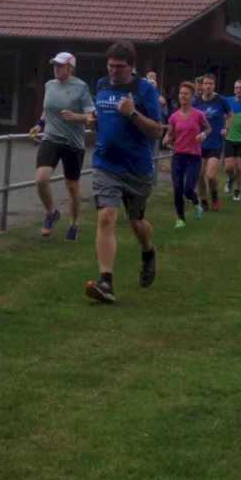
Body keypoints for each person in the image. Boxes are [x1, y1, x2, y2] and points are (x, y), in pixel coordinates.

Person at [83, 41, 163, 304]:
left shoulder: (145, 90)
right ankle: (106, 282)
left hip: (137, 168)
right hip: (105, 163)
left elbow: (156, 131)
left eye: (119, 67)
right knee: (106, 216)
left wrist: (133, 114)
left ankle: (148, 252)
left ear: (132, 67)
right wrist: (95, 121)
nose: (113, 72)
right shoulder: (102, 84)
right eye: (110, 66)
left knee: (136, 222)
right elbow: (102, 117)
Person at [30, 51, 96, 240]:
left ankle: (74, 223)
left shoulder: (81, 87)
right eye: (55, 65)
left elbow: (93, 117)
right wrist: (39, 124)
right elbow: (48, 108)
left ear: (70, 67)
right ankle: (52, 212)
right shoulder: (49, 85)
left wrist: (77, 117)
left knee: (72, 185)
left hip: (73, 142)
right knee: (41, 178)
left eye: (60, 65)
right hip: (51, 139)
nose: (56, 69)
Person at [162, 81, 210, 228]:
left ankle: (196, 202)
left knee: (188, 189)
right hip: (178, 156)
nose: (182, 96)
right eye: (181, 93)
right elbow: (169, 134)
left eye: (186, 94)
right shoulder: (174, 117)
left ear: (192, 96)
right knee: (177, 189)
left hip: (194, 157)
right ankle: (181, 219)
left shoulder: (198, 115)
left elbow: (208, 129)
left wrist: (203, 135)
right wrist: (166, 139)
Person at [193, 74, 228, 211]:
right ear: (202, 86)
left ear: (214, 86)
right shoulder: (196, 102)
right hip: (200, 143)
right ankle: (203, 201)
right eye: (206, 83)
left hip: (215, 143)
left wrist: (226, 128)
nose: (208, 86)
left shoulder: (221, 100)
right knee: (199, 175)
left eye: (210, 84)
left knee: (211, 175)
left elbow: (230, 115)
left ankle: (214, 195)